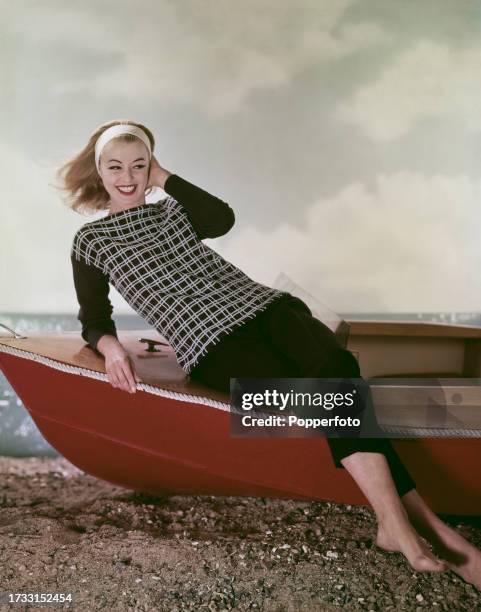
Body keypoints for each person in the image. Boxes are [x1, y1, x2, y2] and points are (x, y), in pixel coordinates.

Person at [58, 119, 480, 589]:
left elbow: (223, 220)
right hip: (211, 342)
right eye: (115, 167)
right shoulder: (92, 242)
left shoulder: (173, 213)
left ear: (153, 165)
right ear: (98, 171)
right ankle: (422, 527)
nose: (128, 177)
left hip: (266, 306)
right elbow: (94, 318)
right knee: (331, 399)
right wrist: (111, 345)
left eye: (140, 165)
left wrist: (165, 179)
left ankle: (399, 527)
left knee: (338, 373)